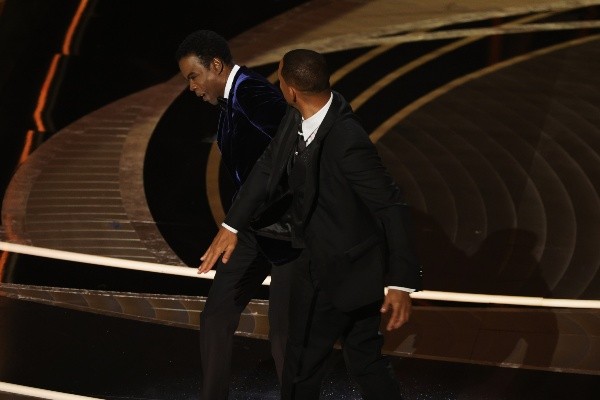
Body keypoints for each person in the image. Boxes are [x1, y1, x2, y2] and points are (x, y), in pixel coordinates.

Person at [200, 49, 423, 399]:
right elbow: (266, 168)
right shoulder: (298, 116)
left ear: (290, 89)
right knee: (363, 362)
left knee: (303, 370)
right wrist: (231, 226)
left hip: (335, 272)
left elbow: (391, 206)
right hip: (339, 267)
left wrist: (401, 283)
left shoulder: (348, 141)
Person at [175, 30, 301, 400]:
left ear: (215, 65)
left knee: (283, 334)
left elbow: (292, 145)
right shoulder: (232, 100)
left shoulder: (252, 91)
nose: (192, 86)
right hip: (251, 229)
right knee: (216, 316)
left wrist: (233, 222)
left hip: (288, 229)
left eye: (193, 76)